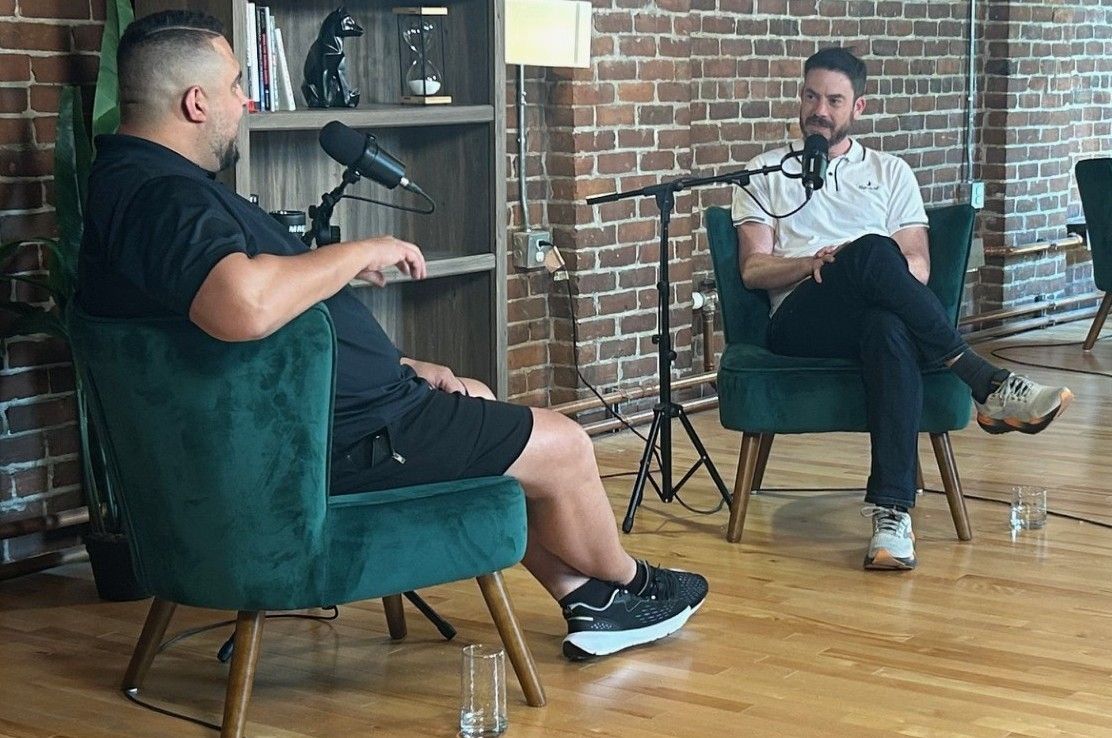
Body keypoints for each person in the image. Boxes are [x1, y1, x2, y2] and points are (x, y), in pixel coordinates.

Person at [77, 10, 707, 660]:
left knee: (476, 396)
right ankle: (632, 581)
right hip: (335, 444)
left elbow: (251, 334)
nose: (245, 101)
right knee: (565, 445)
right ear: (195, 102)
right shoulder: (163, 199)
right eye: (237, 85)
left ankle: (588, 599)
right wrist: (360, 251)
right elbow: (243, 308)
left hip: (334, 421)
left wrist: (398, 364)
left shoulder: (138, 184)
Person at [731, 47, 1072, 571]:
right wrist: (814, 263)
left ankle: (892, 517)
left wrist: (864, 266)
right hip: (801, 317)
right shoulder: (765, 171)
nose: (819, 110)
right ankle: (983, 380)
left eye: (834, 100)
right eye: (811, 96)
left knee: (886, 321)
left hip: (876, 309)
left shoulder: (890, 172)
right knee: (870, 251)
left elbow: (918, 266)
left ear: (858, 108)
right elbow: (754, 269)